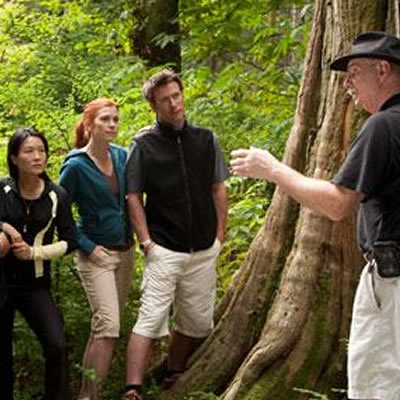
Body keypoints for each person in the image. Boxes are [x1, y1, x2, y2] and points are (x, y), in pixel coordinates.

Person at [231, 31, 400, 400]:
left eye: (355, 72)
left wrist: (274, 169)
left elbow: (337, 204)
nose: (347, 85)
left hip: (393, 287)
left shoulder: (383, 126)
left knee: (379, 388)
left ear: (383, 70)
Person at [123, 69, 229, 400]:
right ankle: (133, 388)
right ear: (153, 105)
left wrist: (219, 237)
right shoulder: (144, 144)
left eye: (176, 96)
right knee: (151, 319)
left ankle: (175, 372)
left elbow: (218, 188)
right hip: (163, 247)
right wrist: (146, 241)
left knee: (196, 321)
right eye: (165, 100)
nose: (173, 104)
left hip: (202, 246)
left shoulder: (206, 139)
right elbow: (132, 195)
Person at [59, 98, 135, 400]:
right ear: (89, 125)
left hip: (125, 251)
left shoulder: (121, 156)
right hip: (96, 256)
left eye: (115, 119)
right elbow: (60, 214)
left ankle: (88, 393)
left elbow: (131, 201)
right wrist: (89, 248)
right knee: (109, 326)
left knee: (104, 328)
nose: (113, 125)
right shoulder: (75, 165)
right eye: (105, 119)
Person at [0, 127, 77, 400]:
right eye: (29, 151)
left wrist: (35, 253)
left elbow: (70, 241)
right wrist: (6, 228)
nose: (37, 156)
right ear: (14, 158)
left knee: (56, 345)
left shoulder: (57, 195)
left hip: (34, 284)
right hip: (2, 283)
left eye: (41, 150)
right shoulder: (2, 189)